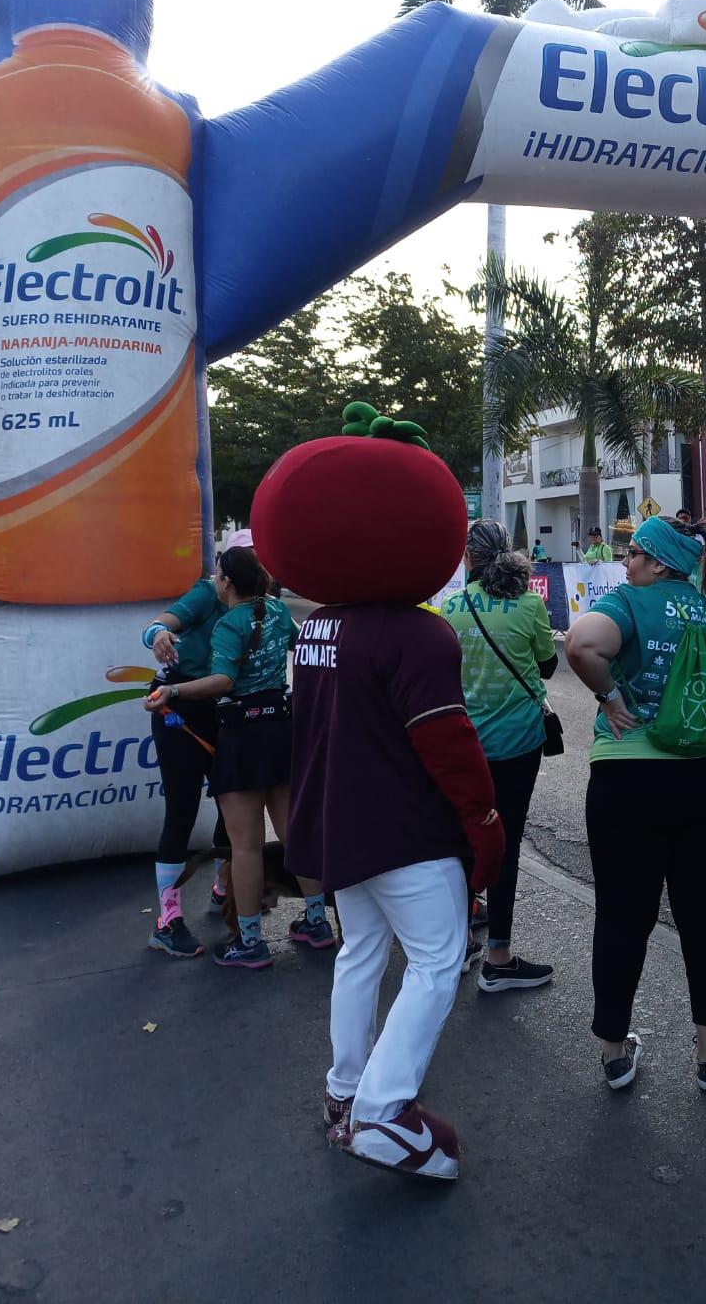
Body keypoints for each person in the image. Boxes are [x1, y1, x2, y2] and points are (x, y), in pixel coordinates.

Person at [251, 406, 504, 1181]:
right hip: (408, 830)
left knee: (361, 952)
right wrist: (484, 819)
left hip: (338, 827)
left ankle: (344, 1091)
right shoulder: (419, 634)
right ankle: (385, 1111)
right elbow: (449, 746)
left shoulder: (317, 625)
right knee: (436, 960)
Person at [565, 516, 706, 1093]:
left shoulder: (629, 602)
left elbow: (581, 645)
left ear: (657, 563)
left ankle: (612, 1052)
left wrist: (612, 696)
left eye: (633, 554)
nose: (625, 564)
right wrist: (698, 692)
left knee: (624, 914)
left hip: (629, 779)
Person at [145, 543, 334, 970]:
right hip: (281, 727)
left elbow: (222, 681)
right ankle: (317, 922)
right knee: (293, 833)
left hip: (240, 733)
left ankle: (250, 942)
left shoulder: (229, 624)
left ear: (227, 580)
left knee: (245, 847)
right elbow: (302, 648)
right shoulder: (278, 611)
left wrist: (172, 690)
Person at [441, 520, 558, 992]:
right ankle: (499, 956)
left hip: (465, 744)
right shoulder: (529, 604)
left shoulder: (449, 608)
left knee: (461, 840)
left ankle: (460, 941)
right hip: (518, 742)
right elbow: (548, 665)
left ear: (468, 558)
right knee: (504, 843)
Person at [140, 534, 242, 958]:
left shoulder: (256, 601)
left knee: (232, 802)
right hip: (176, 709)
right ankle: (167, 920)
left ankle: (224, 889)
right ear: (223, 575)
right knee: (182, 809)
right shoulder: (206, 593)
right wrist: (160, 633)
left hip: (220, 710)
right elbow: (158, 624)